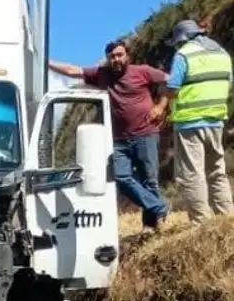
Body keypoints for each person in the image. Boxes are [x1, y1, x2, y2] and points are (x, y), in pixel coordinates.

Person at [48, 38, 170, 229]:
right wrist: (46, 62)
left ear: (127, 55)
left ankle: (151, 225)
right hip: (120, 139)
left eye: (119, 55)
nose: (116, 59)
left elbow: (168, 82)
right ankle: (159, 207)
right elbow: (72, 71)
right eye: (112, 56)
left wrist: (161, 107)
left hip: (146, 133)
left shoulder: (142, 71)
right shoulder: (102, 74)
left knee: (149, 180)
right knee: (121, 177)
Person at [153, 19, 233, 224]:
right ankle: (227, 218)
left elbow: (173, 88)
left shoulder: (184, 54)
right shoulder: (222, 54)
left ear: (182, 39)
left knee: (192, 174)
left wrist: (161, 90)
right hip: (216, 120)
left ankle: (201, 224)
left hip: (190, 122)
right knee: (217, 171)